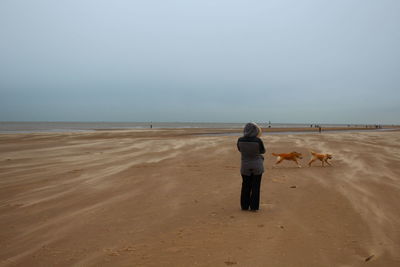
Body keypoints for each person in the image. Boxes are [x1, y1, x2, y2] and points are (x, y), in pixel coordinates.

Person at [237, 122, 266, 211]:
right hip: (257, 165)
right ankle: (254, 207)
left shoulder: (240, 140)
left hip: (245, 165)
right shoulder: (258, 140)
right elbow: (263, 151)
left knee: (245, 185)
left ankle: (244, 206)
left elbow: (239, 149)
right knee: (256, 186)